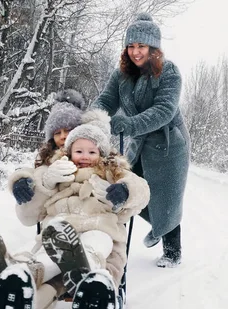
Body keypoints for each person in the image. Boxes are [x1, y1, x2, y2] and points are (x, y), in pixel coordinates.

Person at [0, 107, 150, 309]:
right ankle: (19, 287)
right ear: (68, 151)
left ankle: (86, 274)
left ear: (102, 153)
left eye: (92, 151)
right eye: (78, 150)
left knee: (92, 244)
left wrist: (123, 191)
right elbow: (30, 194)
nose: (84, 156)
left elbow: (141, 190)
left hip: (98, 229)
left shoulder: (112, 171)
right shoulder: (55, 168)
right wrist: (31, 183)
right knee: (49, 255)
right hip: (58, 236)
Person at [92, 12, 190, 268]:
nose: (136, 52)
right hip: (139, 142)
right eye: (132, 46)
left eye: (142, 46)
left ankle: (172, 252)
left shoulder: (169, 73)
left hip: (169, 144)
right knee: (124, 190)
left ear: (153, 48)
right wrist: (94, 121)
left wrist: (130, 124)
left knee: (166, 199)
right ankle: (112, 250)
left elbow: (164, 110)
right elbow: (105, 101)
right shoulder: (121, 75)